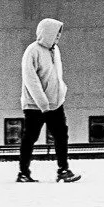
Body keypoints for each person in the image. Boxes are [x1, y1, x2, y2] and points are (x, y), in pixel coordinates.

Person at [17, 18, 80, 183]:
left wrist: (60, 93)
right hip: (34, 105)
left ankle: (63, 170)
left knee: (61, 135)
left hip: (55, 103)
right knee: (30, 138)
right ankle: (23, 172)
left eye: (59, 34)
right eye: (55, 34)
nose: (58, 37)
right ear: (47, 33)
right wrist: (43, 103)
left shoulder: (55, 50)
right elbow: (31, 80)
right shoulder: (32, 51)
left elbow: (56, 76)